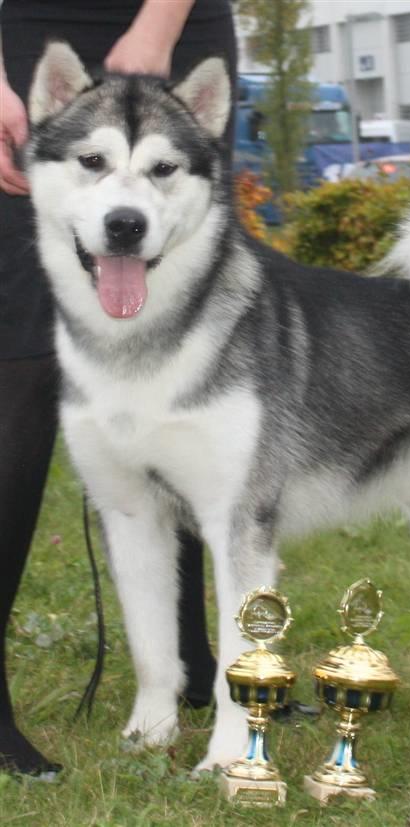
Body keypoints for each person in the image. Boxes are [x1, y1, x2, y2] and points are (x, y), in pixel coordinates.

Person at [0, 0, 237, 777]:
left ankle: (189, 667)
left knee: (186, 360)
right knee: (18, 359)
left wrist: (161, 24)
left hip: (180, 24)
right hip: (24, 32)